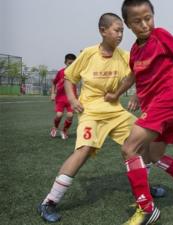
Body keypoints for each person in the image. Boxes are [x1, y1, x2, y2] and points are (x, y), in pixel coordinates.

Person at [105, 1, 173, 224]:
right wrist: (117, 94)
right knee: (153, 155)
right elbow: (133, 76)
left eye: (148, 18)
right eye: (137, 21)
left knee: (129, 148)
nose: (145, 24)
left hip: (168, 101)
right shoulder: (134, 50)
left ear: (153, 16)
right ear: (128, 25)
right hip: (165, 105)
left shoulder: (161, 36)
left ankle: (146, 208)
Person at [37, 13, 137, 223]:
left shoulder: (125, 56)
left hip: (116, 111)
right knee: (83, 151)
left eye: (122, 31)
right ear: (103, 31)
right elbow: (69, 77)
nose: (120, 35)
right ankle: (48, 202)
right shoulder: (89, 53)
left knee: (141, 140)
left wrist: (134, 94)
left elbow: (138, 73)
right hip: (91, 112)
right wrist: (73, 99)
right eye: (116, 30)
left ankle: (143, 187)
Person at [50, 54, 77, 139]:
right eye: (69, 63)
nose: (71, 65)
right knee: (59, 115)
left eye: (73, 63)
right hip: (60, 98)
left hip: (71, 98)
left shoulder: (76, 73)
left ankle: (64, 130)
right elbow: (54, 83)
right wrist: (53, 93)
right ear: (65, 62)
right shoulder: (61, 72)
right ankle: (55, 128)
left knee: (70, 115)